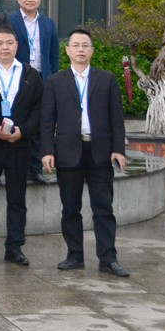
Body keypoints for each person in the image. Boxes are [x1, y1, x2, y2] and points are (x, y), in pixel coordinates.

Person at [41, 29, 130, 277]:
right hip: (68, 152)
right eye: (76, 45)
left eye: (85, 45)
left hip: (100, 152)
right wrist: (47, 150)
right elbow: (46, 121)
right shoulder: (55, 82)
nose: (80, 49)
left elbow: (117, 119)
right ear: (67, 50)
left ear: (92, 50)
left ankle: (108, 259)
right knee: (70, 208)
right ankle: (74, 255)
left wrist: (118, 149)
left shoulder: (107, 79)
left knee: (103, 208)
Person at [0, 26, 43, 267]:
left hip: (19, 145)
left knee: (17, 198)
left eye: (10, 43)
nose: (5, 47)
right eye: (0, 43)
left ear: (17, 45)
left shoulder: (31, 74)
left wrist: (22, 131)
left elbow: (38, 110)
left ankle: (14, 247)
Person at [9, 0, 60, 184]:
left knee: (41, 120)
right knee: (20, 119)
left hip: (42, 77)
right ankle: (15, 166)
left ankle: (36, 167)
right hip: (20, 77)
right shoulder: (10, 20)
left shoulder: (48, 23)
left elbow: (54, 54)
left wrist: (53, 78)